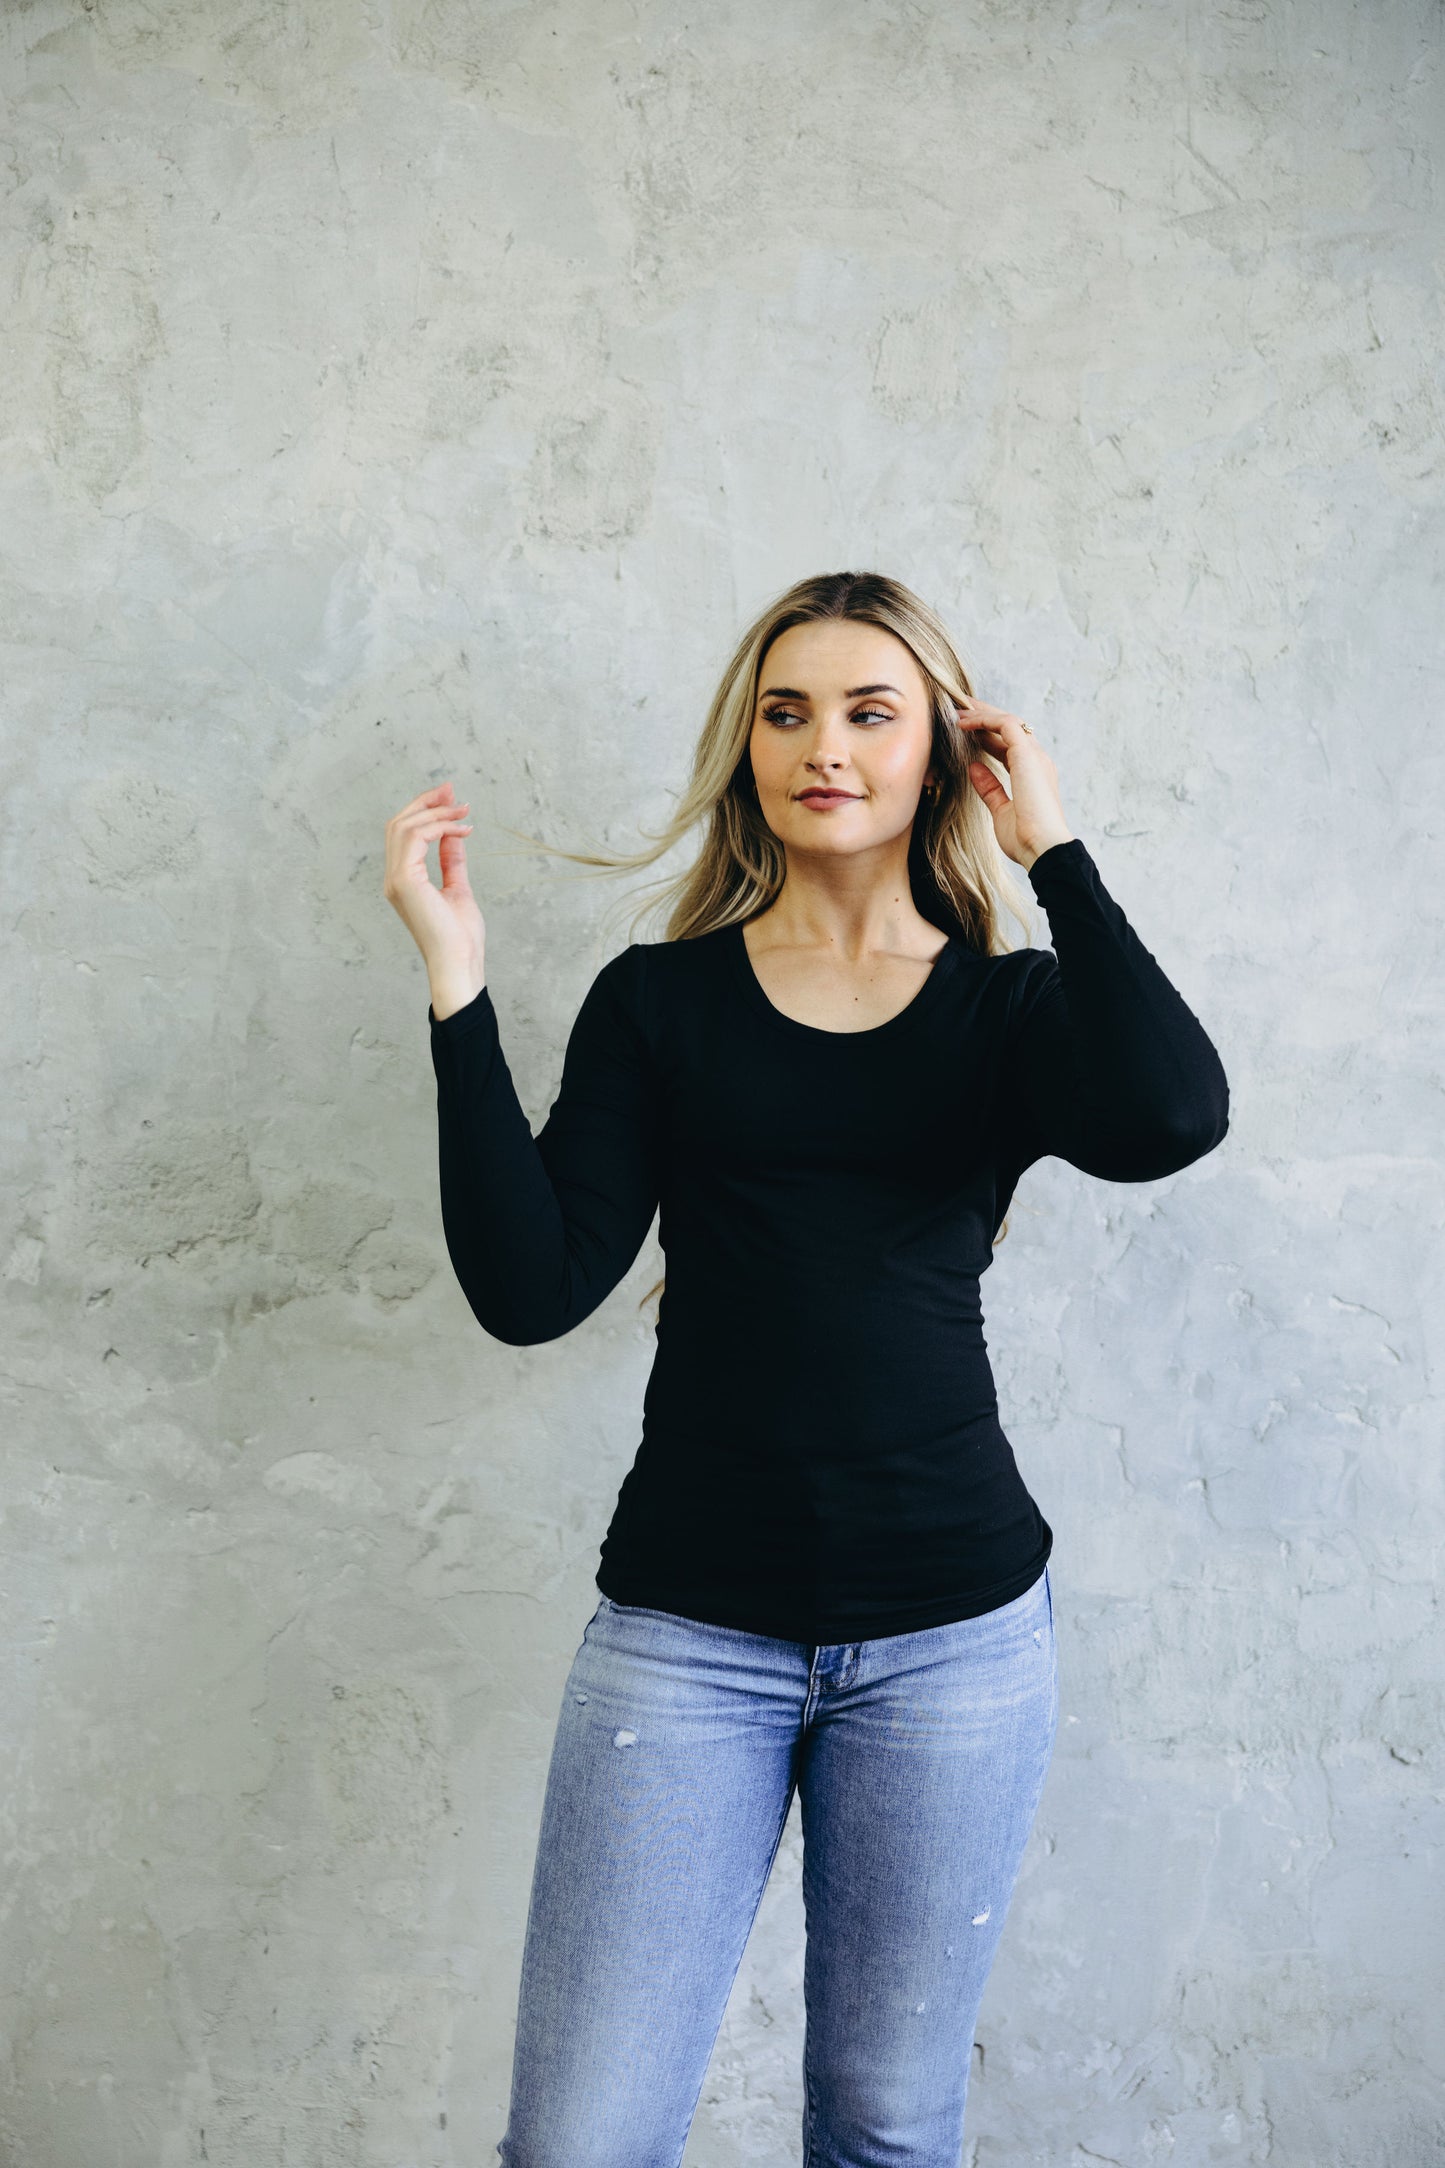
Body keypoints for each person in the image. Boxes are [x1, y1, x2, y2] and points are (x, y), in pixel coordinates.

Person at [383, 571, 1230, 2168]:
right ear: (744, 748)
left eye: (868, 711)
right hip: (687, 1636)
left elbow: (1171, 1116)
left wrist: (1055, 853)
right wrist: (456, 983)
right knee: (579, 2143)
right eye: (785, 712)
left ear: (941, 753)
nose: (820, 746)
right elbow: (529, 1285)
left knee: (887, 2130)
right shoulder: (661, 1001)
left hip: (955, 1646)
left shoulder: (1010, 1009)